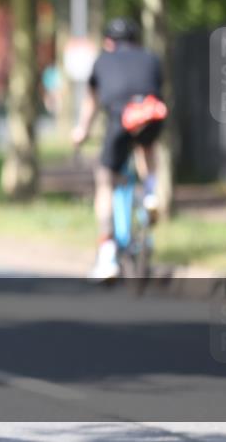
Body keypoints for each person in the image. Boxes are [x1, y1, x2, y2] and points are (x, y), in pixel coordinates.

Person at [72, 17, 166, 281]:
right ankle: (150, 193)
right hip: (150, 112)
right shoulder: (150, 58)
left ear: (107, 42)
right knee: (147, 146)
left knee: (105, 180)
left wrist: (81, 131)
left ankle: (107, 253)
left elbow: (91, 103)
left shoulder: (102, 61)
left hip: (120, 117)